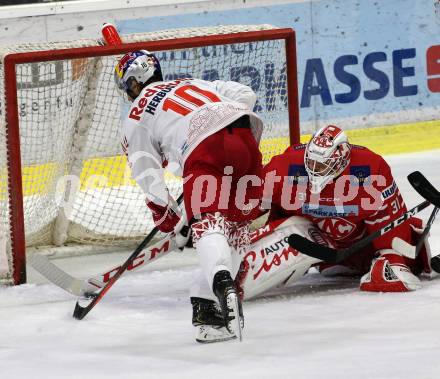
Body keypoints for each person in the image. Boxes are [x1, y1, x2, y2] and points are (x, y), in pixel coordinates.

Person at [113, 50, 264, 342]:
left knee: (207, 224)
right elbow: (246, 94)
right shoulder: (191, 82)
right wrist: (218, 117)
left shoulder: (136, 113)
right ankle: (209, 310)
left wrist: (164, 210)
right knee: (235, 229)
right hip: (245, 137)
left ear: (133, 83)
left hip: (205, 149)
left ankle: (222, 284)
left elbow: (144, 166)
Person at [261, 124, 434, 292]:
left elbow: (386, 215)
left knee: (390, 271)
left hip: (365, 246)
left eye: (322, 165)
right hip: (317, 242)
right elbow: (252, 199)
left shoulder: (369, 168)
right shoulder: (286, 165)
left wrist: (390, 254)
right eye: (311, 161)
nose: (315, 169)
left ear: (340, 161)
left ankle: (368, 260)